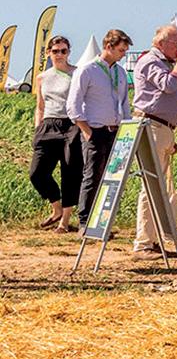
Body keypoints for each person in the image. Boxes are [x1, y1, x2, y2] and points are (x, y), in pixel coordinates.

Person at [128, 22, 177, 258]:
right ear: (162, 43)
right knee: (150, 186)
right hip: (152, 126)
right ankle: (144, 243)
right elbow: (168, 85)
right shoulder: (150, 61)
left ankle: (154, 240)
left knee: (161, 188)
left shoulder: (163, 63)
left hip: (162, 128)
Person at [69, 29, 133, 228]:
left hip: (117, 131)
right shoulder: (87, 70)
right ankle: (85, 222)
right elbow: (73, 104)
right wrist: (86, 130)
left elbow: (125, 103)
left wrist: (128, 127)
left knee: (111, 178)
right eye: (121, 50)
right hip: (95, 130)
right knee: (92, 176)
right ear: (108, 47)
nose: (124, 55)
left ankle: (103, 223)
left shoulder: (120, 72)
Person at [31, 35, 82, 232]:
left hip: (71, 124)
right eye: (55, 51)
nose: (59, 54)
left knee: (70, 171)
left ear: (69, 52)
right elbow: (40, 106)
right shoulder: (42, 77)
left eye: (63, 51)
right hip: (48, 125)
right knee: (37, 173)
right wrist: (38, 129)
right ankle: (57, 208)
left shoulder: (77, 73)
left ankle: (65, 221)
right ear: (48, 53)